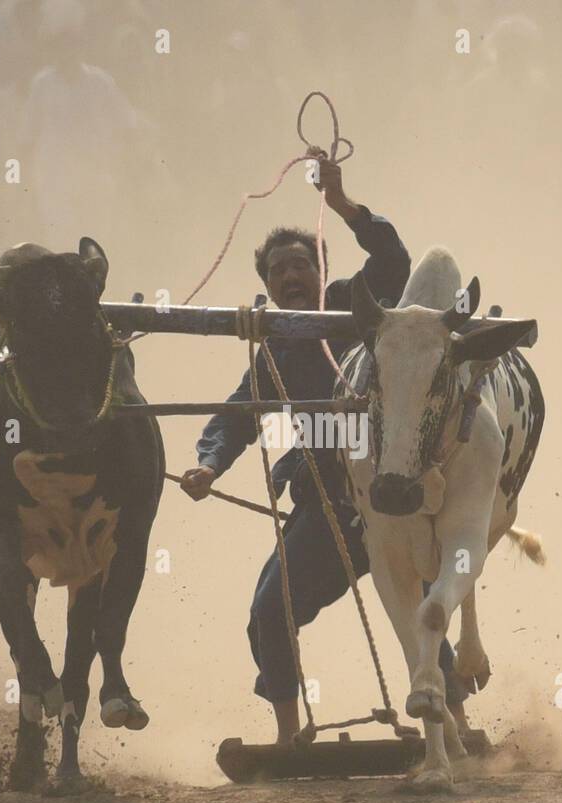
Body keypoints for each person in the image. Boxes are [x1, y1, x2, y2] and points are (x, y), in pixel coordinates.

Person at [180, 152, 470, 744]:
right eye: (277, 272)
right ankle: (289, 737)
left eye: (299, 266)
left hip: (393, 501)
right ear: (266, 286)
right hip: (329, 510)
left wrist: (341, 204)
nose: (290, 277)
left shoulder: (356, 308)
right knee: (269, 611)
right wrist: (207, 464)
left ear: (321, 270)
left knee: (420, 612)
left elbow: (394, 262)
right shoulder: (274, 352)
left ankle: (461, 724)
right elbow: (237, 419)